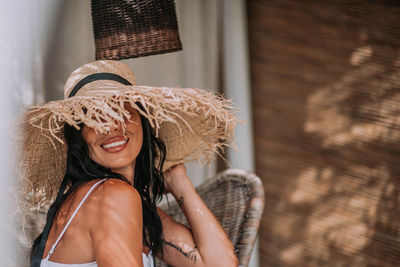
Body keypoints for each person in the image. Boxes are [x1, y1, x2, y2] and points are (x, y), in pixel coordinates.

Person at [19, 60, 239, 267]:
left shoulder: (119, 200)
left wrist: (178, 181)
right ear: (79, 136)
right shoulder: (112, 197)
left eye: (122, 110)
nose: (112, 126)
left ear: (143, 120)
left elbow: (221, 263)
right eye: (95, 117)